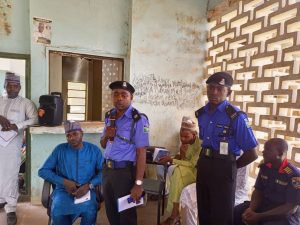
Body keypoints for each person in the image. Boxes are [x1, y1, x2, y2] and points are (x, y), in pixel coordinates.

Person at [195, 71, 258, 225]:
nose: (214, 92)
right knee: (204, 210)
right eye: (211, 88)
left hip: (224, 166)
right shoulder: (202, 114)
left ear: (228, 92)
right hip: (204, 163)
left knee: (221, 214)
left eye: (219, 89)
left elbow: (252, 152)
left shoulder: (236, 116)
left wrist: (232, 166)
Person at [100, 80, 150, 225]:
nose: (119, 98)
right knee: (111, 212)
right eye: (116, 94)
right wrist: (106, 135)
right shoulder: (110, 116)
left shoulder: (138, 119)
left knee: (126, 216)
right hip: (107, 170)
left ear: (131, 97)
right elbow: (103, 145)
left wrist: (138, 184)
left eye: (124, 95)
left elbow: (141, 153)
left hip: (124, 173)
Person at [38, 121, 103, 225]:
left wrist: (89, 185)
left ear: (82, 133)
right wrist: (64, 182)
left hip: (87, 190)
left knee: (90, 210)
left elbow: (104, 172)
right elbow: (43, 171)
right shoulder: (60, 150)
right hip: (63, 191)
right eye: (68, 135)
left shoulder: (94, 150)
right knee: (58, 209)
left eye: (75, 134)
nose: (72, 138)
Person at [0, 72, 38, 225]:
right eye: (9, 85)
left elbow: (34, 119)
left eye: (15, 86)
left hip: (12, 145)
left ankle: (11, 208)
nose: (12, 88)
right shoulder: (0, 100)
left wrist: (18, 125)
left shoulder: (25, 103)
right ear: (5, 86)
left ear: (20, 87)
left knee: (10, 174)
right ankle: (1, 199)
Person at [234, 138, 300, 225]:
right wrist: (251, 209)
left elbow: (290, 208)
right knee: (235, 213)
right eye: (264, 148)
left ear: (280, 154)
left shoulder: (294, 175)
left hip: (283, 215)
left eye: (268, 150)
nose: (263, 152)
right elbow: (258, 191)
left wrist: (260, 216)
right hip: (264, 206)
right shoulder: (265, 167)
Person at [159, 116, 201, 225]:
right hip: (185, 169)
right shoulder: (185, 142)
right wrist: (180, 154)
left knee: (176, 172)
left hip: (196, 172)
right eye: (181, 136)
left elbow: (192, 164)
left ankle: (174, 215)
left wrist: (172, 160)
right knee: (176, 173)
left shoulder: (200, 145)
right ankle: (175, 214)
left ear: (194, 134)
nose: (183, 139)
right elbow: (184, 159)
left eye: (186, 136)